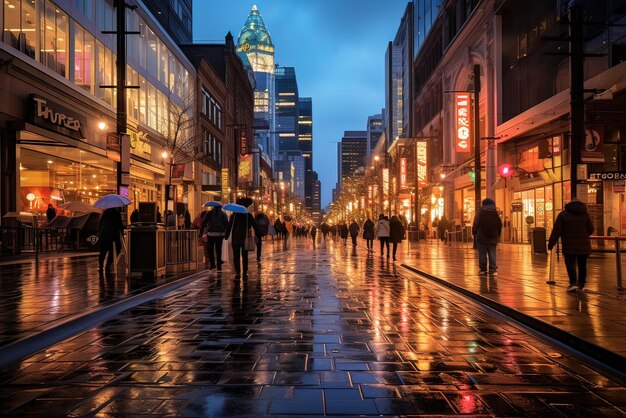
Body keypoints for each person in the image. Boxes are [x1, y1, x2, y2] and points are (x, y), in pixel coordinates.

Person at [548, 198, 594, 292]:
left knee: (570, 263)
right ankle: (581, 284)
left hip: (569, 244)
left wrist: (551, 243)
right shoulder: (585, 214)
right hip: (583, 245)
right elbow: (591, 229)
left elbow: (557, 230)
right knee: (582, 265)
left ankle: (573, 283)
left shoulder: (563, 214)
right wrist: (584, 235)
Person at [472, 198, 503, 276]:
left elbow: (476, 222)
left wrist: (474, 232)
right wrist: (498, 235)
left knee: (482, 254)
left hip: (482, 237)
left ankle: (483, 270)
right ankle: (493, 270)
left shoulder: (480, 211)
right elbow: (500, 224)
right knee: (492, 253)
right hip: (493, 237)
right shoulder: (495, 212)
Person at [225, 210, 259, 277]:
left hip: (235, 238)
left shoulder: (234, 215)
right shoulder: (248, 215)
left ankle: (238, 272)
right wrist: (259, 234)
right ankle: (245, 271)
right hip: (245, 238)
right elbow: (254, 225)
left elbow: (229, 226)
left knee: (236, 256)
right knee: (245, 256)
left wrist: (226, 235)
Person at [98, 207, 124, 272]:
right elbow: (120, 225)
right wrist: (122, 235)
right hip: (112, 234)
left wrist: (99, 232)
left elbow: (100, 224)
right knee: (115, 250)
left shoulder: (105, 213)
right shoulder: (116, 213)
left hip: (103, 234)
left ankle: (101, 266)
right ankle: (108, 265)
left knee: (103, 251)